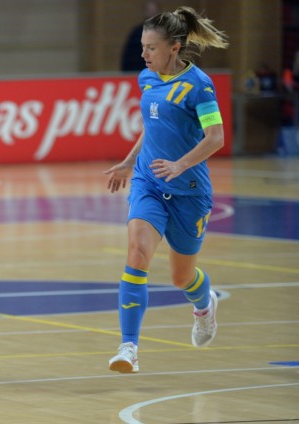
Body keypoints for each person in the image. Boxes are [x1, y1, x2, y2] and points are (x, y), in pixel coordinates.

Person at [103, 6, 229, 373]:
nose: (143, 54)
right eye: (143, 46)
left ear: (174, 48)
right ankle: (128, 348)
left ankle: (204, 306)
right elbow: (151, 128)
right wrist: (129, 162)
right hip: (149, 183)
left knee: (181, 277)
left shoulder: (200, 86)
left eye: (151, 48)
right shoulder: (147, 78)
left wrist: (180, 164)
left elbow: (216, 138)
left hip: (189, 191)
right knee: (137, 254)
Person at [121, 1, 161, 72]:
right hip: (139, 71)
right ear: (145, 12)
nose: (152, 14)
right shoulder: (137, 33)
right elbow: (128, 57)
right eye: (150, 11)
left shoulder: (165, 33)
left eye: (154, 11)